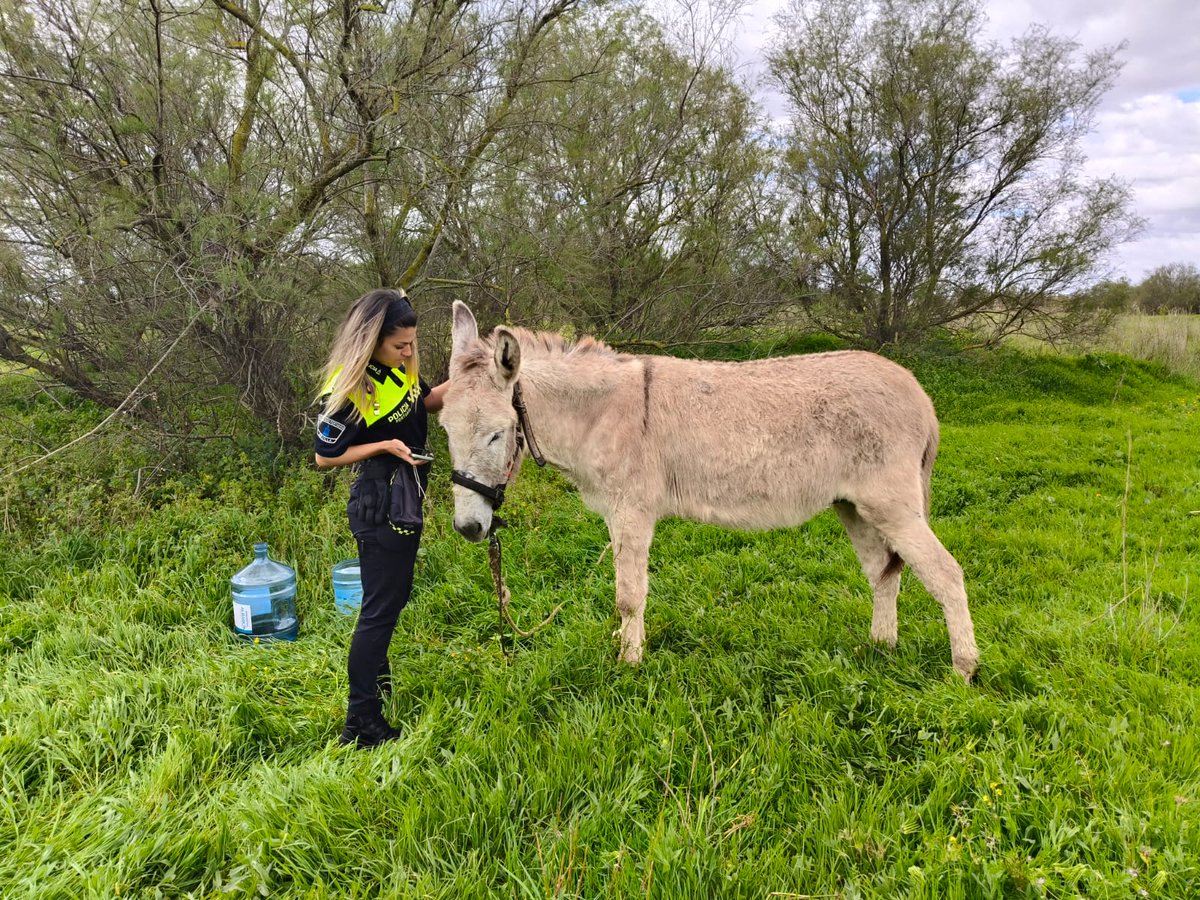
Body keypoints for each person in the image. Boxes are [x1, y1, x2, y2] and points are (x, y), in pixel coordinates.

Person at [313, 288, 447, 748]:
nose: (409, 352)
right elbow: (325, 456)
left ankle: (378, 686)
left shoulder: (397, 372)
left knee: (386, 601)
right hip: (380, 504)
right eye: (400, 346)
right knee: (379, 611)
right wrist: (384, 447)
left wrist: (474, 376)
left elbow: (425, 402)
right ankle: (361, 722)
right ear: (372, 341)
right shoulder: (349, 385)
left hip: (403, 499)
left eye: (413, 343)